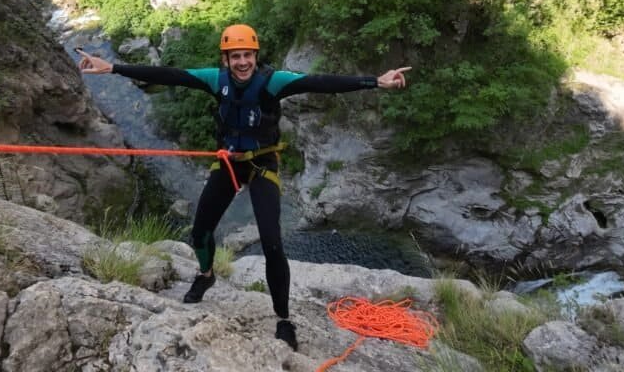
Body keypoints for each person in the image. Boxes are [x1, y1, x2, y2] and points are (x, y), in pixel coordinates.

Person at [78, 24, 411, 351]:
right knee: (200, 232)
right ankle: (206, 274)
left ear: (255, 55)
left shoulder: (273, 82)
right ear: (226, 59)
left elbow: (320, 83)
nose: (242, 62)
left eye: (247, 55)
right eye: (235, 56)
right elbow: (171, 75)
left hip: (262, 164)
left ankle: (283, 318)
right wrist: (112, 68)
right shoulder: (216, 80)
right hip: (228, 162)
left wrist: (375, 82)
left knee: (273, 244)